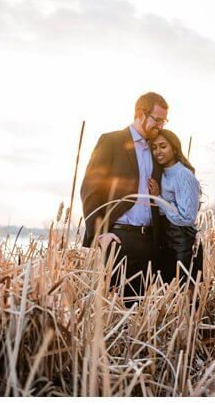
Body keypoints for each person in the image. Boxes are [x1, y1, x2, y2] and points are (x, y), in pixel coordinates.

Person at [81, 92, 168, 300]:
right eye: (157, 120)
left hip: (151, 243)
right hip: (119, 239)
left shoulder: (157, 149)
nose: (161, 126)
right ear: (140, 114)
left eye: (164, 121)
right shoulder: (111, 141)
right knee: (116, 312)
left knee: (143, 315)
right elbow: (90, 188)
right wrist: (99, 234)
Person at [149, 129, 201, 284]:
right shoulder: (162, 173)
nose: (158, 151)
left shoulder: (183, 175)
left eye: (163, 146)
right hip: (166, 241)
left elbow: (187, 217)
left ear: (174, 148)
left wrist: (158, 199)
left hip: (181, 243)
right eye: (154, 147)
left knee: (183, 295)